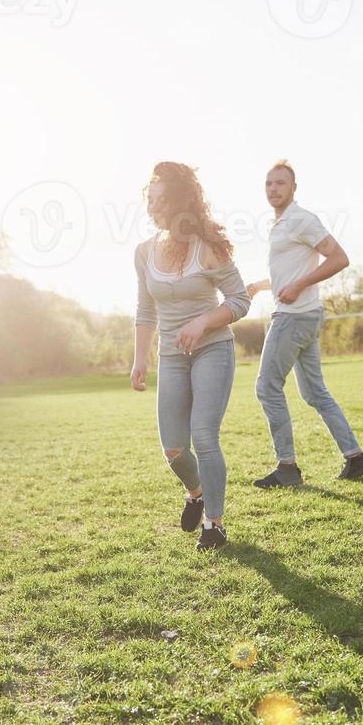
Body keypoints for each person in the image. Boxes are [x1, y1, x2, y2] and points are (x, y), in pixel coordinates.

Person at [131, 162, 251, 552]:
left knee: (204, 435)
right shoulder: (144, 252)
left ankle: (214, 524)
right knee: (173, 448)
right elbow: (145, 310)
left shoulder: (208, 247)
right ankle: (196, 492)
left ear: (182, 201)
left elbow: (239, 300)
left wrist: (202, 322)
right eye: (151, 200)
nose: (154, 207)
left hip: (213, 349)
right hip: (171, 356)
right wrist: (139, 359)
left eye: (162, 200)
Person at [246, 161, 363, 488]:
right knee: (315, 392)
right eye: (269, 183)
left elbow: (339, 258)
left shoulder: (302, 219)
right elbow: (287, 275)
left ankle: (286, 468)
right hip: (304, 315)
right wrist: (262, 286)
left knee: (267, 386)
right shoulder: (280, 224)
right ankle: (356, 457)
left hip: (293, 318)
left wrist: (299, 285)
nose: (273, 188)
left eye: (280, 183)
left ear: (293, 188)